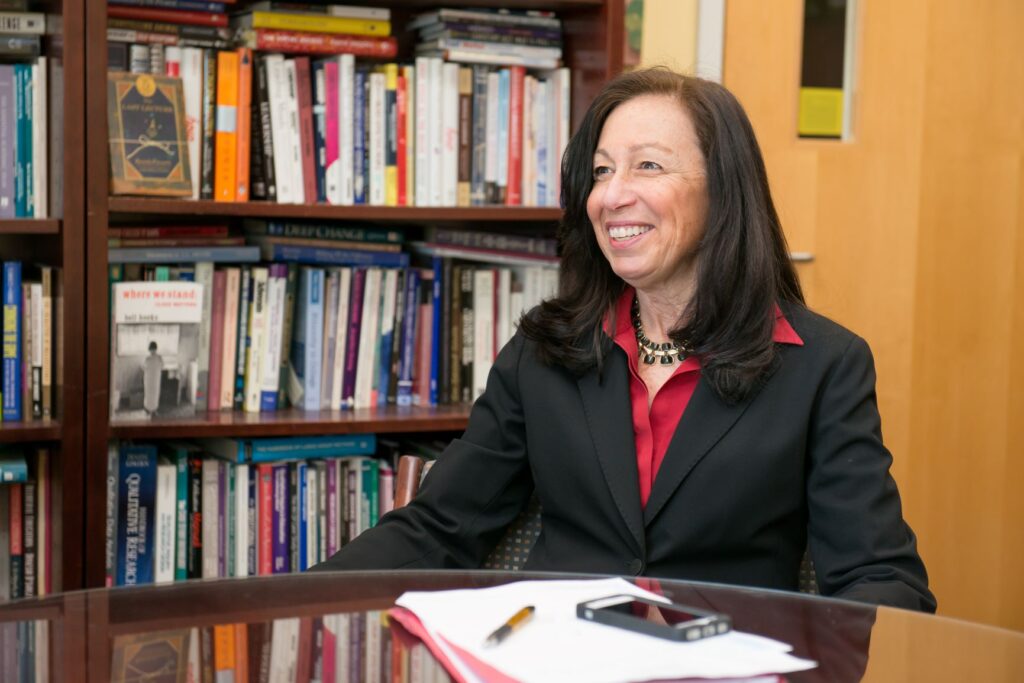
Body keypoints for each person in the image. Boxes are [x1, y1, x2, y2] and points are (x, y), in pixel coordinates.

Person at [312, 68, 935, 612]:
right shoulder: (542, 350)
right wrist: (277, 600)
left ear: (723, 191)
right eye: (602, 171)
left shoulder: (824, 365)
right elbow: (439, 529)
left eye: (648, 166)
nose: (612, 195)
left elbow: (880, 578)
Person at [142, 340, 163, 416]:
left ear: (149, 349)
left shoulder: (148, 358)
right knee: (154, 394)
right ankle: (153, 410)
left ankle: (149, 410)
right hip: (155, 379)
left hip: (149, 379)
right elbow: (162, 367)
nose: (152, 350)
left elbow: (144, 368)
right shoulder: (159, 358)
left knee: (150, 394)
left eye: (152, 349)